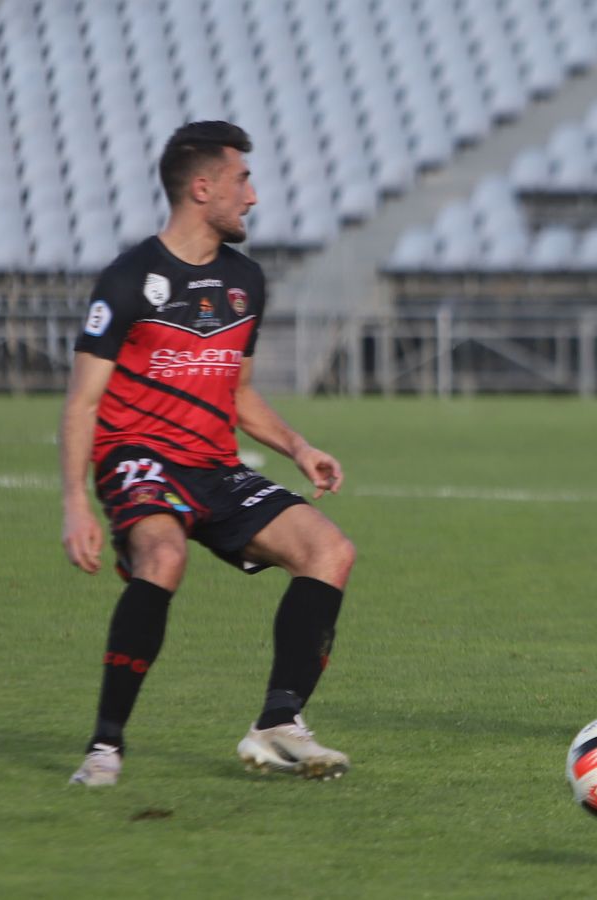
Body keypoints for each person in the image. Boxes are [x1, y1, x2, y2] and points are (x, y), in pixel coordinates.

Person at [60, 121, 357, 786]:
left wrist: (297, 445)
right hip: (138, 459)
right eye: (241, 180)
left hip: (215, 467)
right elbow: (81, 403)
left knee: (330, 551)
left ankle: (278, 724)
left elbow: (240, 394)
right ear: (202, 188)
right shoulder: (129, 279)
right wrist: (76, 503)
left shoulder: (245, 280)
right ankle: (105, 748)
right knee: (162, 557)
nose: (251, 197)